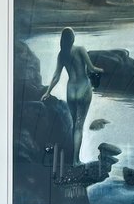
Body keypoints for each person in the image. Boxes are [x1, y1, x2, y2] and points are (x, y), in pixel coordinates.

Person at [41, 27, 103, 164]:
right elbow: (92, 68)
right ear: (72, 38)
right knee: (80, 125)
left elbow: (56, 76)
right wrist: (103, 70)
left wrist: (47, 92)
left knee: (74, 124)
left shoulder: (61, 54)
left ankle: (74, 159)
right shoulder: (80, 49)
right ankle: (76, 160)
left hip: (71, 91)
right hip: (83, 88)